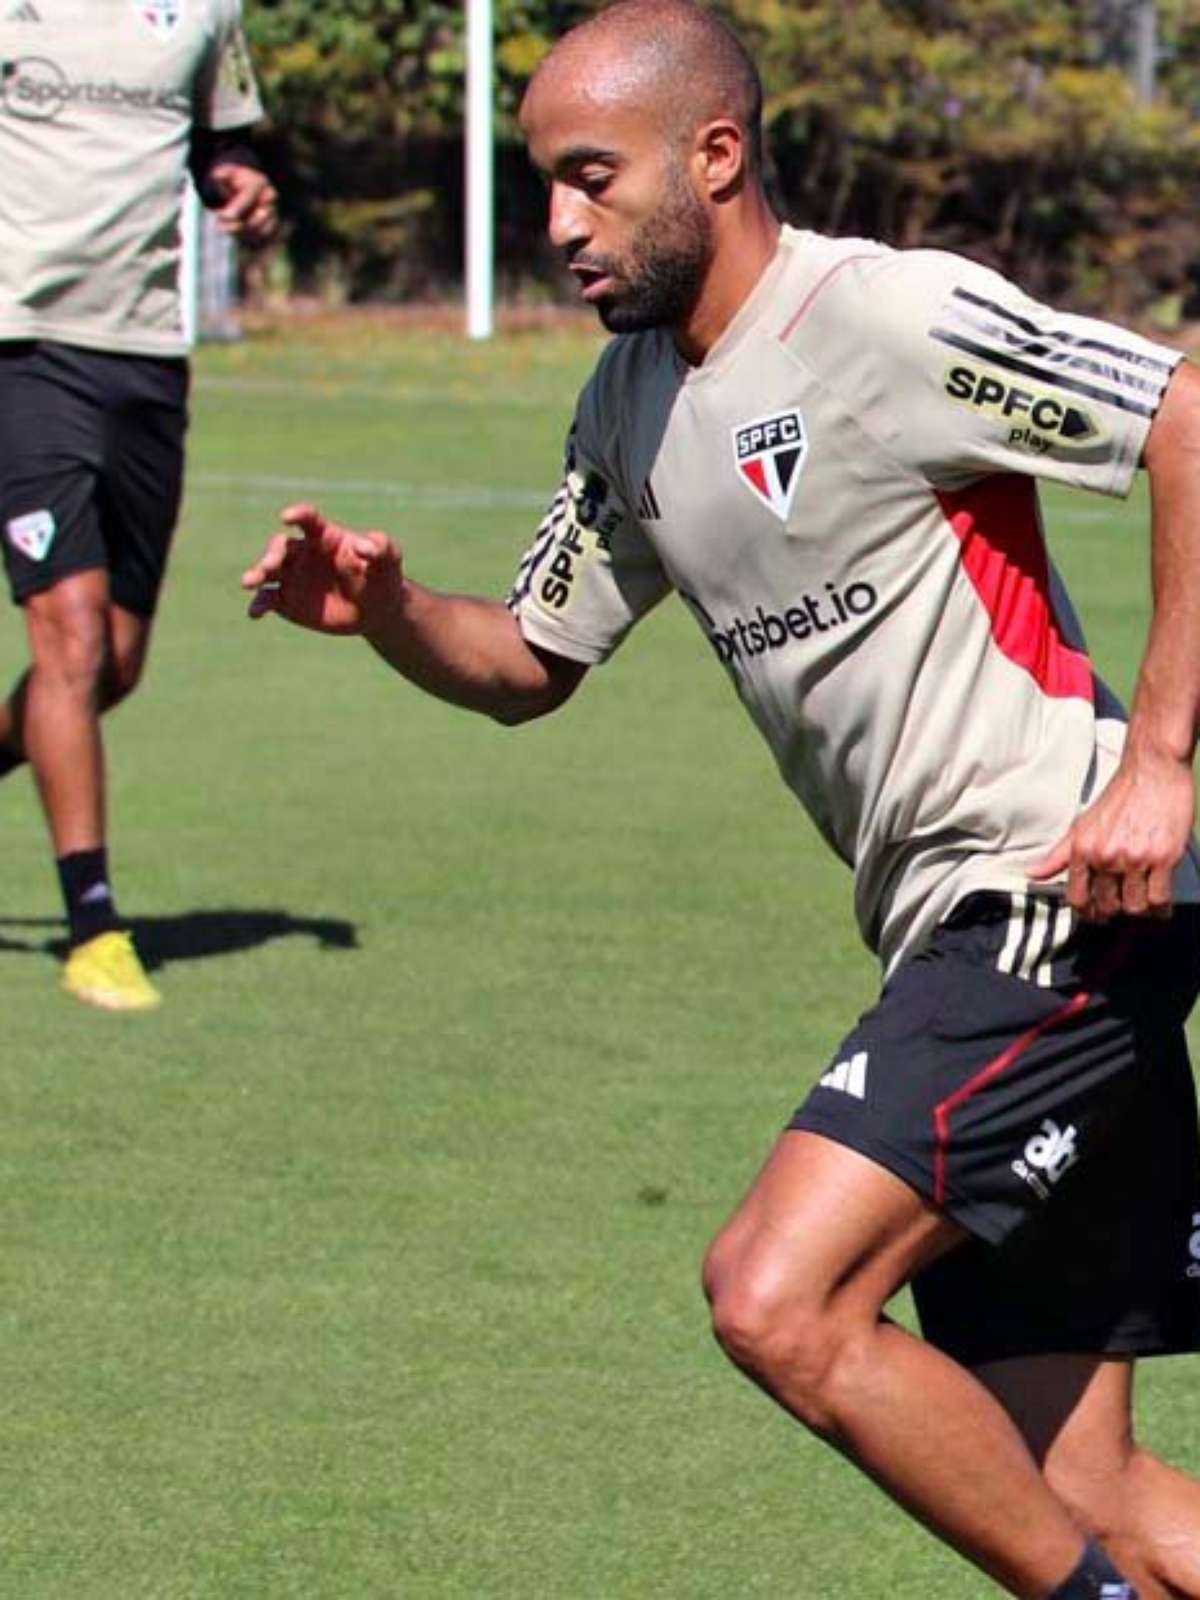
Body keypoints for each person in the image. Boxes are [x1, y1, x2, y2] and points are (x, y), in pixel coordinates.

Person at [242, 2, 1200, 1593]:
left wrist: (1160, 765)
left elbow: (1185, 411)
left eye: (592, 179)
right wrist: (392, 613)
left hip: (1054, 892)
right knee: (1075, 1481)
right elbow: (530, 659)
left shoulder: (883, 316)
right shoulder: (629, 402)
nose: (559, 224)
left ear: (715, 154)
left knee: (776, 1294)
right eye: (545, 184)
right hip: (960, 931)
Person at [0, 0, 277, 1010]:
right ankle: (94, 924)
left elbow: (219, 146)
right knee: (66, 638)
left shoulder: (205, 10)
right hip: (17, 345)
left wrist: (239, 185)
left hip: (148, 359)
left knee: (110, 666)